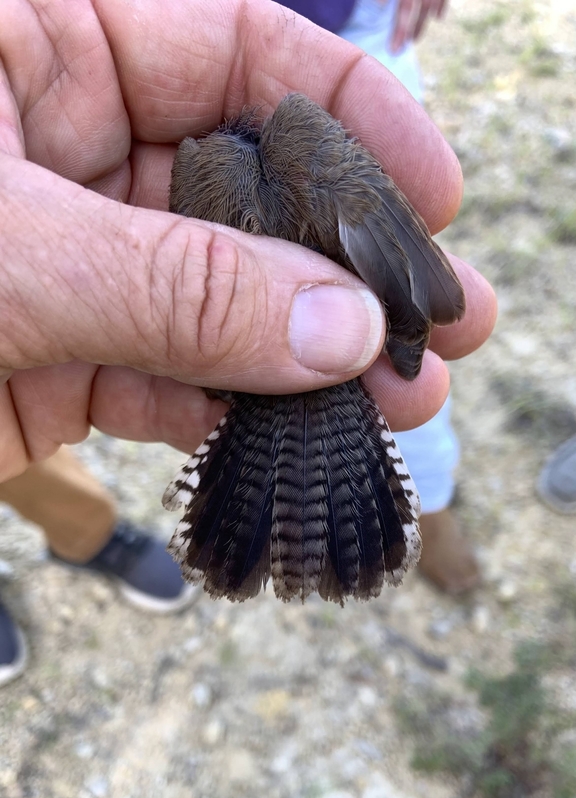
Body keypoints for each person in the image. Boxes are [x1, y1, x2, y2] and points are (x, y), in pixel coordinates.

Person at [0, 0, 497, 686]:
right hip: (328, 357)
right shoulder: (300, 131)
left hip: (280, 378)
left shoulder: (200, 160)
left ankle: (431, 506)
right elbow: (410, 292)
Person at [286, 0, 479, 596]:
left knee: (406, 313)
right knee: (347, 334)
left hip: (358, 23)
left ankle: (428, 494)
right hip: (181, 34)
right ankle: (416, 500)